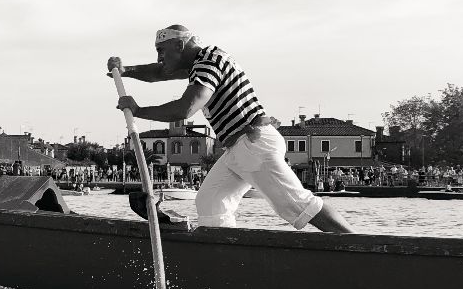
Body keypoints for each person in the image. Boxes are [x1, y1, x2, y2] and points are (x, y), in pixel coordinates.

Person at [109, 25, 353, 233]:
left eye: (161, 51)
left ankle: (357, 244)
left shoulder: (207, 63)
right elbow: (160, 73)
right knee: (210, 201)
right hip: (239, 148)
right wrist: (126, 71)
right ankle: (225, 256)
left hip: (253, 145)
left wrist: (139, 110)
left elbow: (185, 109)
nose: (160, 58)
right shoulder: (201, 61)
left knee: (298, 205)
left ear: (180, 47)